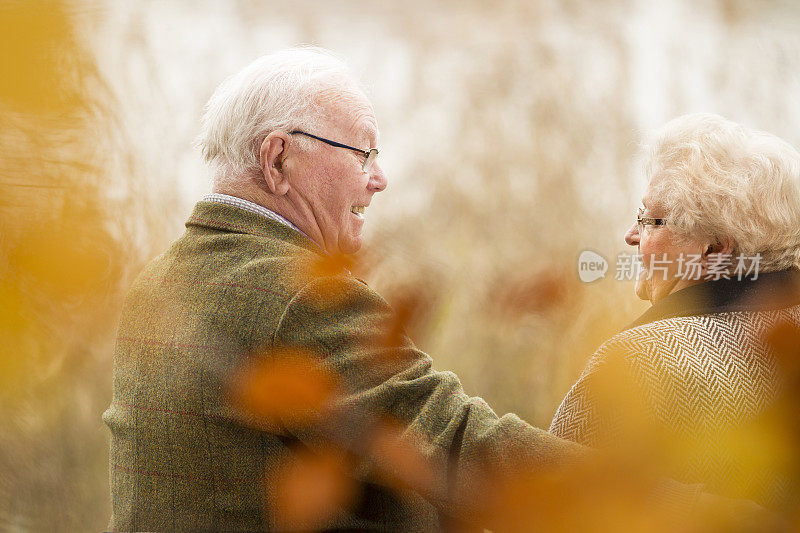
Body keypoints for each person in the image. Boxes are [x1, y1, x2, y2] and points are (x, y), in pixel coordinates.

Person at [103, 52, 759, 531]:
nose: (379, 178)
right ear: (278, 161)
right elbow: (458, 443)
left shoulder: (159, 282)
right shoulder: (293, 292)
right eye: (362, 154)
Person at [550, 113, 800, 511]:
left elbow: (550, 508)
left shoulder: (641, 359)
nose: (631, 236)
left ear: (714, 250)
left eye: (649, 220)